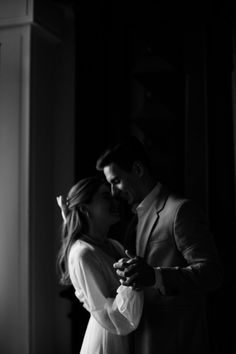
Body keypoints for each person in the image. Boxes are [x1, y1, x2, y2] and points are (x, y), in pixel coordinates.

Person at [96, 136, 223, 354]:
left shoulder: (180, 211)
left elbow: (212, 273)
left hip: (176, 343)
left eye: (116, 181)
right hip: (140, 340)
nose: (113, 192)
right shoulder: (133, 220)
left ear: (137, 169)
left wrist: (156, 276)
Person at [56, 176, 143, 354]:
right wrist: (135, 281)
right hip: (109, 341)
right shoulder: (83, 254)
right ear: (84, 209)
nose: (114, 201)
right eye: (105, 196)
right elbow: (109, 316)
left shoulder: (113, 245)